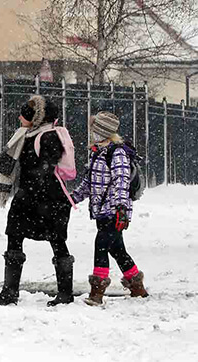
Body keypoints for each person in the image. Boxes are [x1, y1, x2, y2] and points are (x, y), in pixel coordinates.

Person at [0, 95, 74, 307]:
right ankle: (10, 291)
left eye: (24, 115)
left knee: (57, 241)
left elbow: (46, 168)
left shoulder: (48, 136)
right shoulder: (26, 135)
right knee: (14, 236)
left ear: (36, 118)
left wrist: (34, 191)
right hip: (30, 197)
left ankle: (65, 293)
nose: (19, 117)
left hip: (48, 199)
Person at [71, 111, 149, 306]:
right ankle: (137, 287)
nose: (92, 133)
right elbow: (89, 184)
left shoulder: (118, 152)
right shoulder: (97, 152)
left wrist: (121, 208)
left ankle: (97, 292)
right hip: (101, 210)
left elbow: (121, 181)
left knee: (101, 245)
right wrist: (72, 199)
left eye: (95, 129)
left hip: (115, 211)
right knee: (117, 249)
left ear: (102, 131)